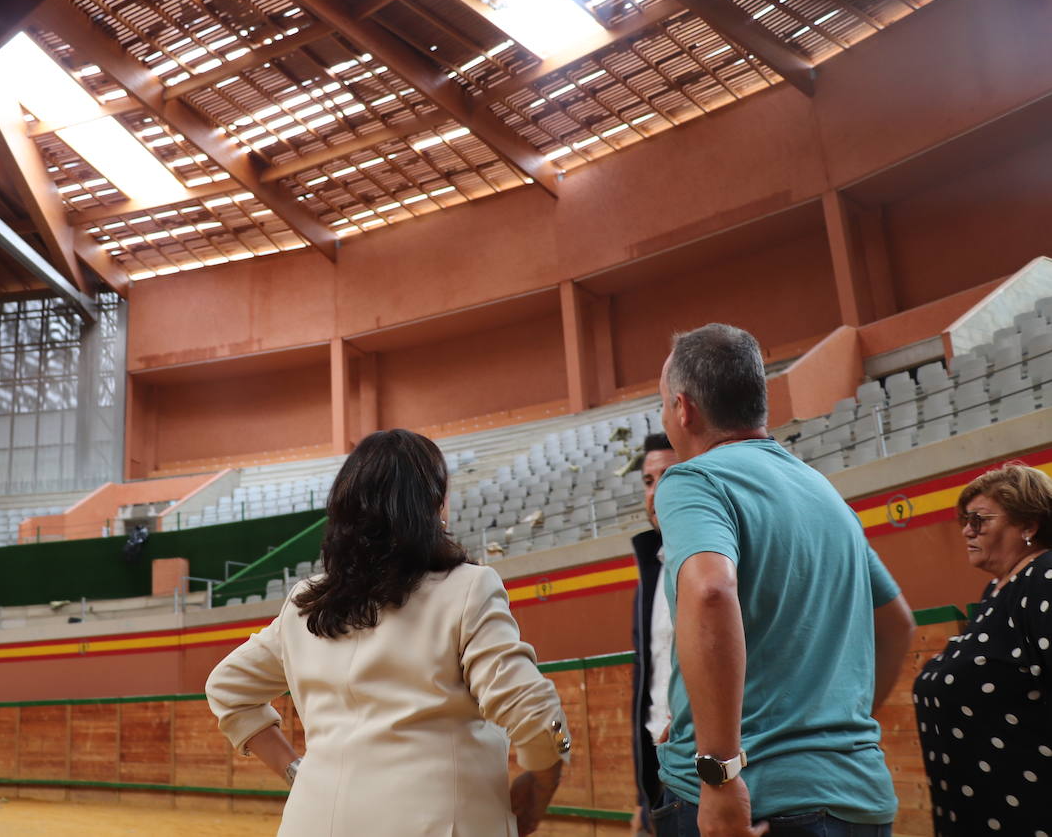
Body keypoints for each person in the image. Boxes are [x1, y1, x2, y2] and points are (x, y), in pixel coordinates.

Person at [205, 428, 570, 837]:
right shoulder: (468, 588)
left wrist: (296, 771)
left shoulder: (303, 605)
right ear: (435, 506)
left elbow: (226, 687)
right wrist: (541, 783)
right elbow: (535, 713)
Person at [652, 323, 915, 837]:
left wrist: (720, 770)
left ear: (683, 410)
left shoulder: (693, 479)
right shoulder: (822, 490)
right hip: (859, 798)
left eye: (663, 405)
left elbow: (710, 591)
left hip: (758, 805)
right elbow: (897, 622)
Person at [912, 462, 1052, 835]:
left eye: (979, 520)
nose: (966, 531)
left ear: (1028, 525)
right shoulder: (998, 591)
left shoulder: (1043, 579)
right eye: (964, 520)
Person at [630, 432, 680, 835]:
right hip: (660, 774)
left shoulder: (726, 557)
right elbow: (645, 683)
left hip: (711, 769)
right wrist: (642, 797)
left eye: (668, 475)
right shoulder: (650, 572)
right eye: (649, 481)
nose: (655, 492)